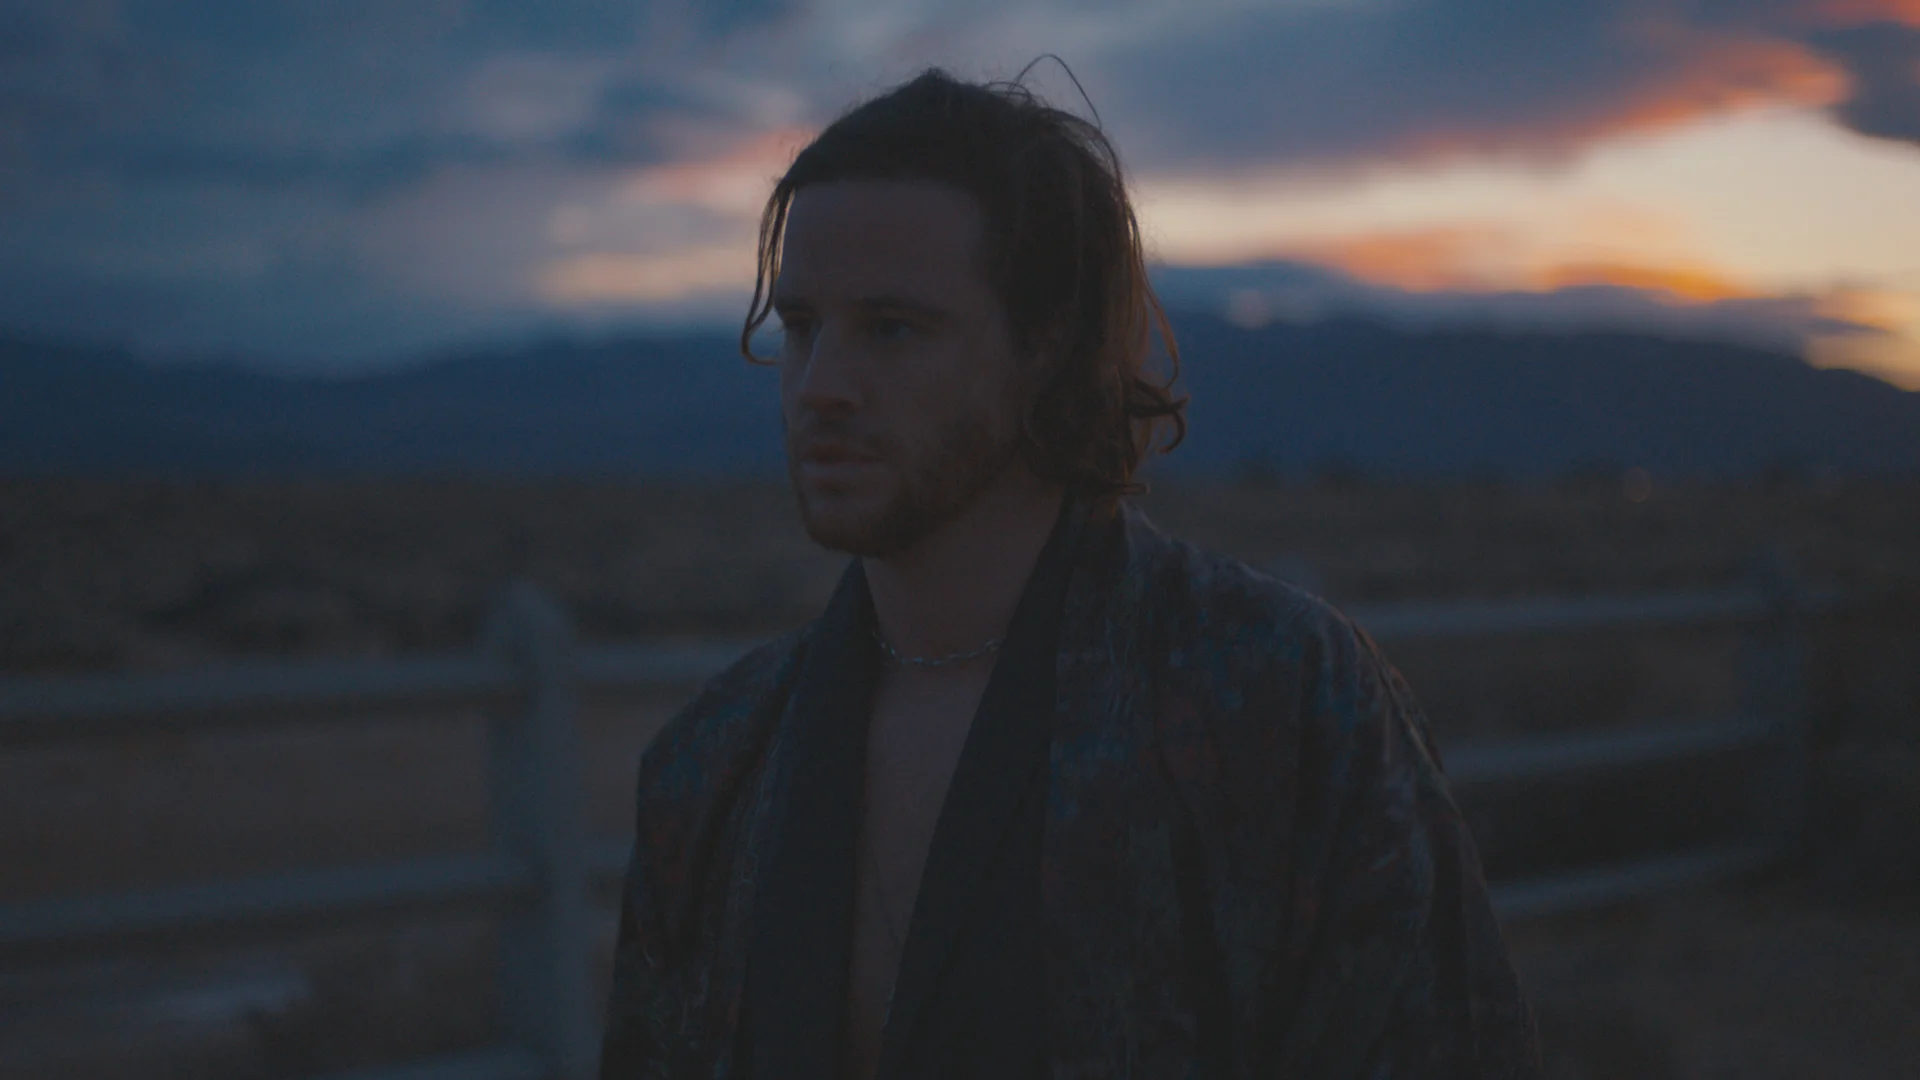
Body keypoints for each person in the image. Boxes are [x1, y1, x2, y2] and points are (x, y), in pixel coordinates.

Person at [600, 68, 1541, 1079]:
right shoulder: (716, 765)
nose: (821, 386)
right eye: (802, 329)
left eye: (892, 328)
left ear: (1045, 342)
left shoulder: (1275, 701)